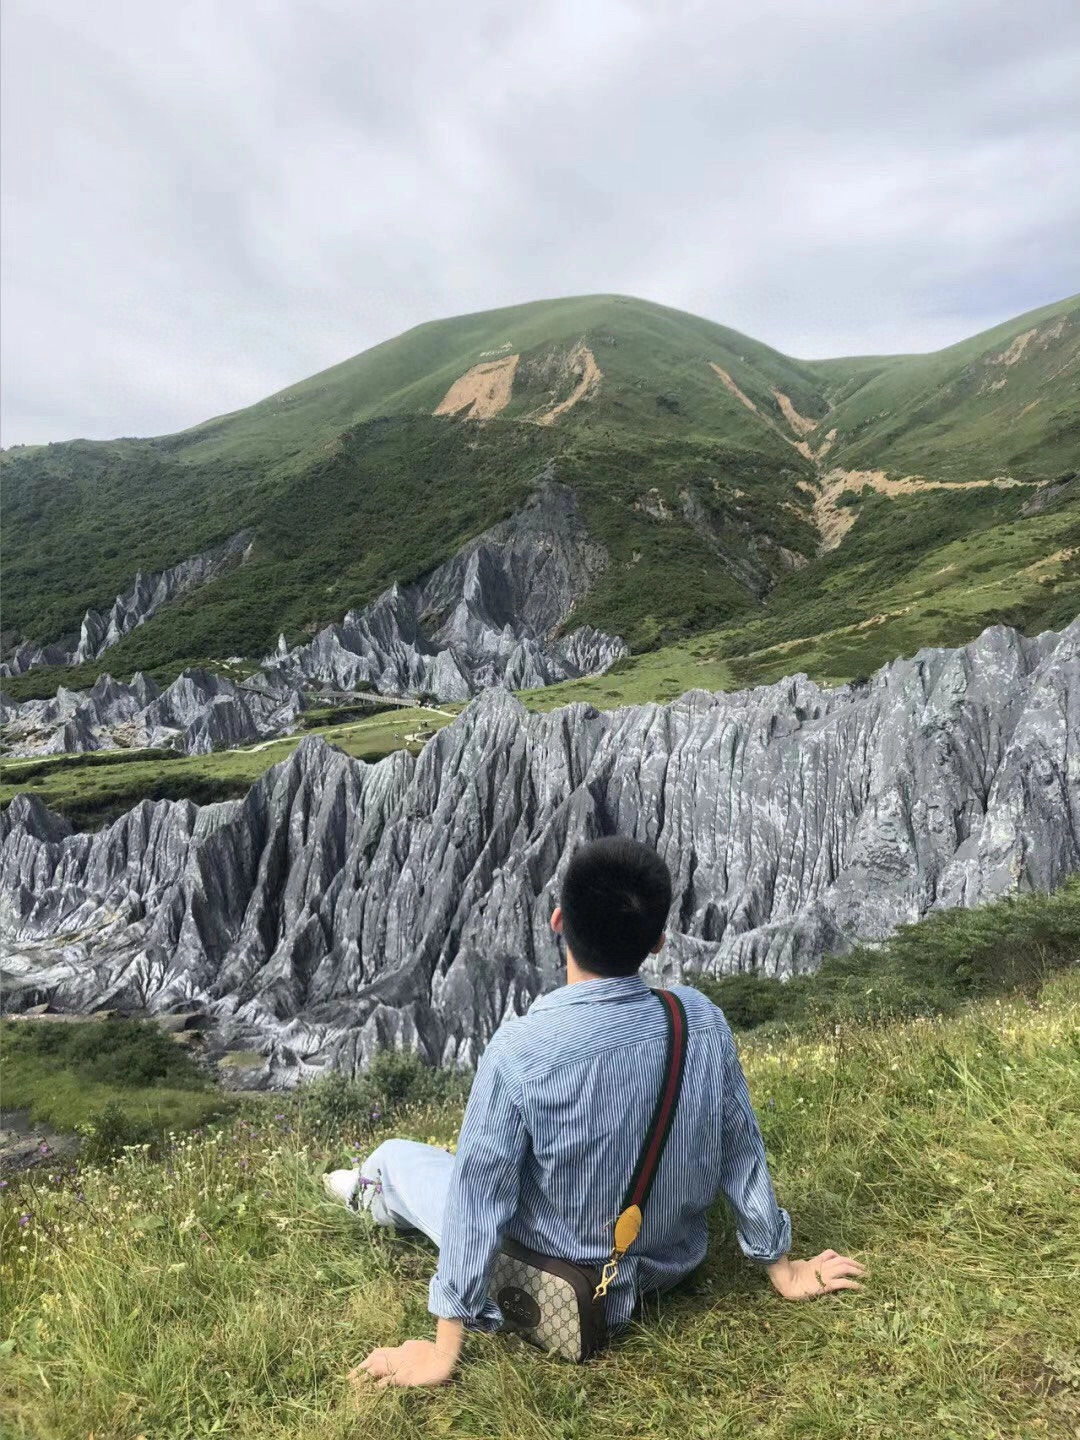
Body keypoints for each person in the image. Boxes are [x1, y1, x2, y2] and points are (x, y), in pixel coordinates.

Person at [327, 835, 865, 1390]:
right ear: (658, 942)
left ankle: (366, 1189)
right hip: (668, 1265)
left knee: (399, 1157)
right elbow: (739, 1146)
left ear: (559, 921)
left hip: (560, 1279)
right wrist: (781, 1265)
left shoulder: (520, 1052)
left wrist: (443, 1351)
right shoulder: (698, 1021)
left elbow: (476, 1198)